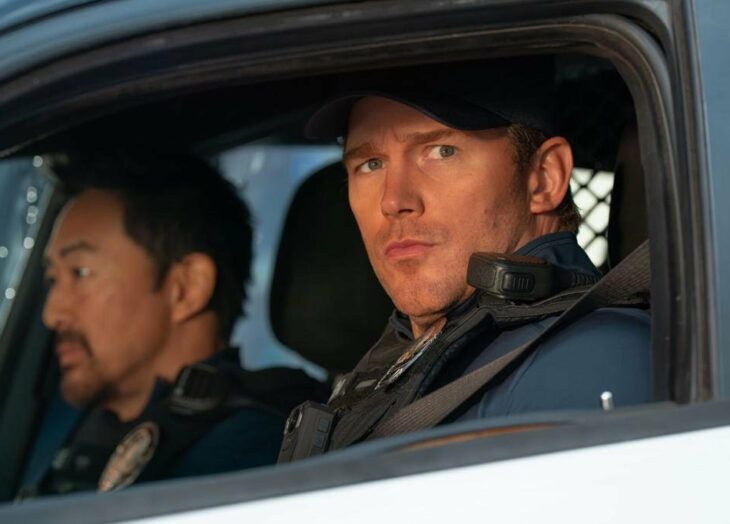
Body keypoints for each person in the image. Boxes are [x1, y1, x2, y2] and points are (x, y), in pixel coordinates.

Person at [281, 57, 651, 456]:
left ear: (544, 178)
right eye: (371, 164)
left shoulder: (585, 364)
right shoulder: (402, 365)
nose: (394, 200)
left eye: (442, 151)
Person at [20, 149, 327, 497]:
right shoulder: (70, 431)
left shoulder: (247, 459)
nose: (52, 314)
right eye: (53, 279)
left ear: (186, 288)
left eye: (81, 272)